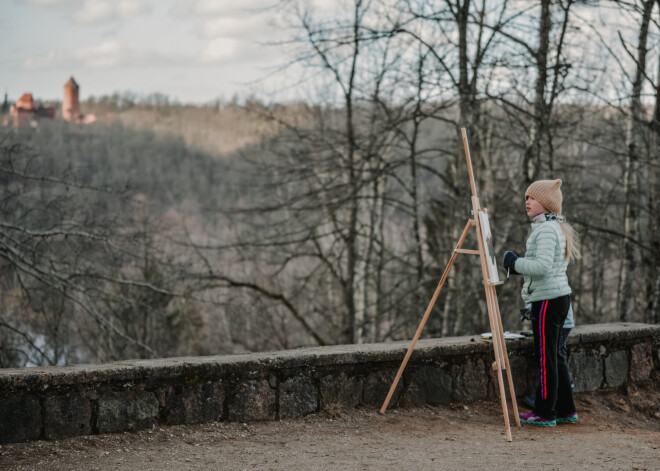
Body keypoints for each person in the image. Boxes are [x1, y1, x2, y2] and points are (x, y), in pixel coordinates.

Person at [502, 179, 580, 427]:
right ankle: (566, 410)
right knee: (556, 357)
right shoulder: (554, 227)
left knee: (547, 358)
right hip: (556, 298)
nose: (527, 201)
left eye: (532, 198)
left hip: (547, 300)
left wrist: (513, 263)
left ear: (546, 204)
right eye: (526, 197)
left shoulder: (545, 230)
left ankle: (545, 413)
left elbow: (543, 267)